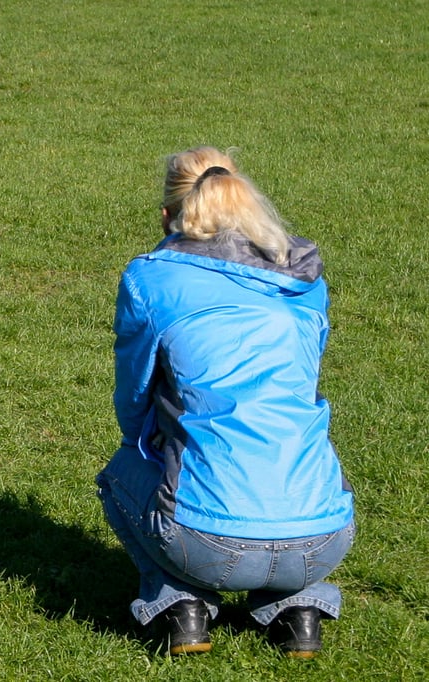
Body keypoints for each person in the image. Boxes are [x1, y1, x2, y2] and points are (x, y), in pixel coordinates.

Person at [96, 146, 355, 658]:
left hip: (205, 542)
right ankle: (299, 610)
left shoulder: (151, 278)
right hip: (327, 533)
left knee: (119, 472)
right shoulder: (305, 279)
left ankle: (181, 604)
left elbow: (134, 391)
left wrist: (141, 440)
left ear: (170, 216)